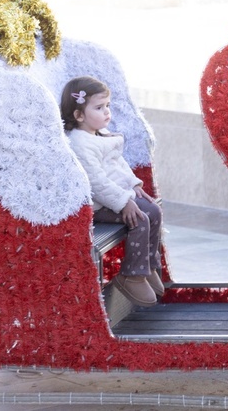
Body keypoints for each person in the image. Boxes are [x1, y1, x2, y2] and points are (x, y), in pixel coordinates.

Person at [60, 76, 164, 307]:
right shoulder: (80, 143)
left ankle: (148, 265)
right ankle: (131, 275)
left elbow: (119, 164)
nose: (107, 111)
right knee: (140, 218)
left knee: (154, 211)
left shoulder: (99, 134)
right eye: (99, 107)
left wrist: (133, 184)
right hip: (99, 205)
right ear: (79, 115)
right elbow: (96, 183)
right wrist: (124, 202)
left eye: (107, 105)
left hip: (116, 196)